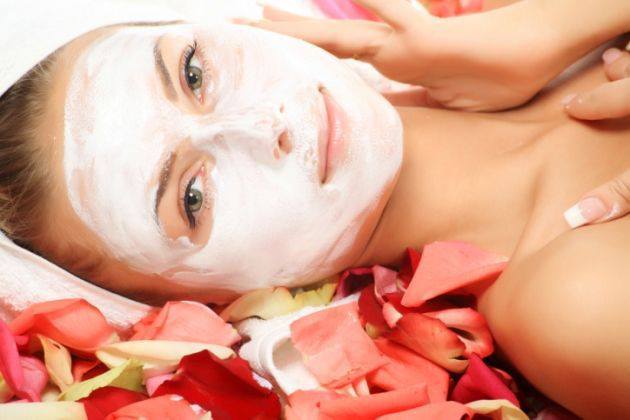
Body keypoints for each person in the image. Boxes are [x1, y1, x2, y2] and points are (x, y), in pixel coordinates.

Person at [0, 0, 629, 417]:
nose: (262, 126)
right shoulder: (575, 306)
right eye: (192, 198)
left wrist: (562, 21)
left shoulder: (533, 24)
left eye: (192, 73)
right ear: (211, 303)